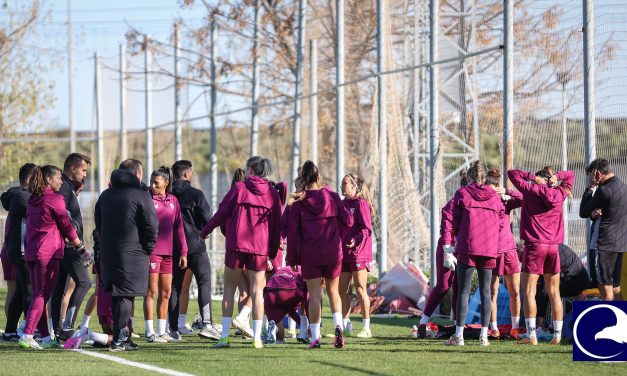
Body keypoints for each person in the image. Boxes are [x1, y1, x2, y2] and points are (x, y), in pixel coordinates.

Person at [201, 156, 282, 349]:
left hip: (236, 246)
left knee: (229, 291)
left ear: (250, 171)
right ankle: (257, 339)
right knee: (257, 293)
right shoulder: (272, 193)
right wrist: (271, 253)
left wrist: (204, 231)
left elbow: (221, 213)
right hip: (259, 249)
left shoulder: (239, 188)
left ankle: (225, 338)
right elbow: (276, 227)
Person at [286, 160, 353, 349]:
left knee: (314, 296)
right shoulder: (332, 196)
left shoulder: (298, 203)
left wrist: (291, 258)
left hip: (310, 254)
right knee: (334, 292)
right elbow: (348, 220)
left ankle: (315, 337)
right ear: (318, 177)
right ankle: (339, 326)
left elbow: (293, 234)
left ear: (304, 179)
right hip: (333, 252)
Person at [95, 159, 158, 352]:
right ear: (137, 174)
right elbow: (151, 226)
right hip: (132, 254)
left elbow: (99, 224)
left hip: (109, 253)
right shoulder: (141, 195)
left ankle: (123, 335)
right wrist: (147, 249)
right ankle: (118, 341)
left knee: (120, 295)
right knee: (124, 296)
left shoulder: (105, 195)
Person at [18, 165, 84, 349]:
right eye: (58, 178)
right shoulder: (55, 199)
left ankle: (46, 338)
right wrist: (79, 245)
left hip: (32, 252)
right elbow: (66, 225)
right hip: (48, 253)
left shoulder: (33, 199)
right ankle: (28, 334)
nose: (61, 182)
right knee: (42, 294)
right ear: (49, 180)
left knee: (40, 295)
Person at [508, 166, 574, 345]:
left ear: (540, 178)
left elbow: (512, 173)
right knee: (554, 292)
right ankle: (557, 335)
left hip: (534, 246)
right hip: (553, 248)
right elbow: (571, 175)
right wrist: (558, 177)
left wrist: (531, 178)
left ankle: (531, 336)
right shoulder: (560, 192)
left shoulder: (532, 190)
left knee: (529, 291)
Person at [443, 161, 504, 347]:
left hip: (468, 246)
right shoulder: (494, 196)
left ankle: (459, 336)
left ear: (468, 178)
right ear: (484, 179)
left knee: (463, 290)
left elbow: (451, 219)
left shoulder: (462, 193)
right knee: (486, 292)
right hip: (489, 248)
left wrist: (448, 247)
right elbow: (501, 222)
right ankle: (484, 336)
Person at [169, 160, 220, 340]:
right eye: (191, 172)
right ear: (186, 174)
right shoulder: (196, 194)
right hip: (196, 245)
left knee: (175, 287)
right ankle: (206, 324)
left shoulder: (167, 194)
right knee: (204, 282)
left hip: (174, 247)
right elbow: (208, 219)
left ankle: (173, 328)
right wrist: (202, 231)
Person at [418, 172, 468, 338]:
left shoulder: (475, 202)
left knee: (459, 287)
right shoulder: (453, 204)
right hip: (448, 248)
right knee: (443, 286)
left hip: (464, 248)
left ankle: (456, 326)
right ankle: (422, 324)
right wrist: (448, 250)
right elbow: (446, 227)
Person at [143, 166, 188, 343]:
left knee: (166, 292)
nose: (152, 185)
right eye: (151, 181)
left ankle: (162, 332)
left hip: (168, 254)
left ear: (166, 183)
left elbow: (179, 227)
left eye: (156, 182)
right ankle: (149, 332)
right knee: (152, 291)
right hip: (152, 252)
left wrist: (183, 251)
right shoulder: (147, 198)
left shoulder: (173, 201)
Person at [579, 158, 627, 301]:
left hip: (604, 245)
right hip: (620, 244)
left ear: (598, 174)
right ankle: (623, 322)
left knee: (605, 290)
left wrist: (590, 187)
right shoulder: (623, 187)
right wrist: (595, 215)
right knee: (616, 288)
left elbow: (583, 211)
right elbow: (610, 212)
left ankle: (609, 321)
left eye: (591, 176)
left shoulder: (604, 190)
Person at [484, 169, 523, 339]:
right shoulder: (484, 202)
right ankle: (494, 328)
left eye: (495, 188)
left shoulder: (506, 202)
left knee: (515, 290)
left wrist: (507, 191)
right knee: (492, 291)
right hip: (492, 252)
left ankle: (515, 328)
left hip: (509, 251)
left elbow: (524, 198)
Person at [1, 163, 36, 342]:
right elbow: (42, 212)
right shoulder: (23, 197)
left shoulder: (18, 195)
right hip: (20, 249)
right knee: (30, 289)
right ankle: (28, 330)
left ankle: (10, 331)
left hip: (16, 248)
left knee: (22, 290)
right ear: (29, 180)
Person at [338, 173, 374, 338]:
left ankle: (366, 328)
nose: (341, 186)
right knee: (340, 291)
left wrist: (355, 240)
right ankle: (345, 326)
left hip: (358, 254)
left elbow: (366, 230)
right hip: (343, 254)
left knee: (360, 289)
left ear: (354, 186)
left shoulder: (361, 204)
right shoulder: (342, 204)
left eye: (344, 183)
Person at [535, 244, 591, 329]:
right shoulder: (555, 246)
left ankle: (540, 324)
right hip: (575, 280)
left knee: (545, 289)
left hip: (576, 282)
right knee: (542, 286)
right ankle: (542, 323)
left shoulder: (551, 251)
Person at [263, 266, 308, 344]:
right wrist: (309, 326)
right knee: (305, 297)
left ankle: (275, 329)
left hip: (269, 294)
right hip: (288, 291)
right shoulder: (306, 271)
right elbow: (308, 301)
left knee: (280, 337)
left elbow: (290, 310)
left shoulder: (283, 269)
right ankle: (303, 333)